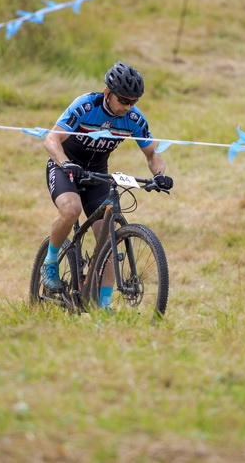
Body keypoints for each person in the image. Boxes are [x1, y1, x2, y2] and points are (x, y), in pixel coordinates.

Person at [42, 61, 173, 308]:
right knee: (71, 210)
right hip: (65, 167)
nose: (127, 106)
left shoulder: (134, 119)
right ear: (107, 93)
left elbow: (152, 155)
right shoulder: (85, 105)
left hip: (97, 174)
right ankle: (50, 262)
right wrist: (65, 163)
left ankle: (102, 307)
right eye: (123, 100)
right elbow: (51, 139)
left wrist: (159, 175)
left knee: (112, 239)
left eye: (133, 101)